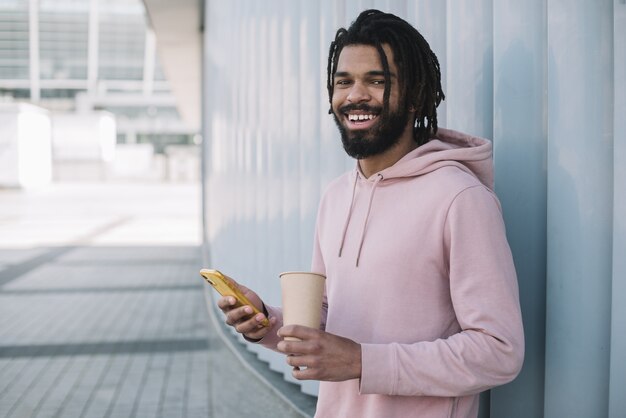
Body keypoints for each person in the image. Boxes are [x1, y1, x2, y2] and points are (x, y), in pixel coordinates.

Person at [217, 9, 524, 418]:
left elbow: (499, 351)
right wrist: (268, 323)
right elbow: (327, 315)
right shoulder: (336, 196)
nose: (354, 96)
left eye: (376, 81)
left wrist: (363, 362)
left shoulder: (461, 198)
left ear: (414, 95)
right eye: (343, 82)